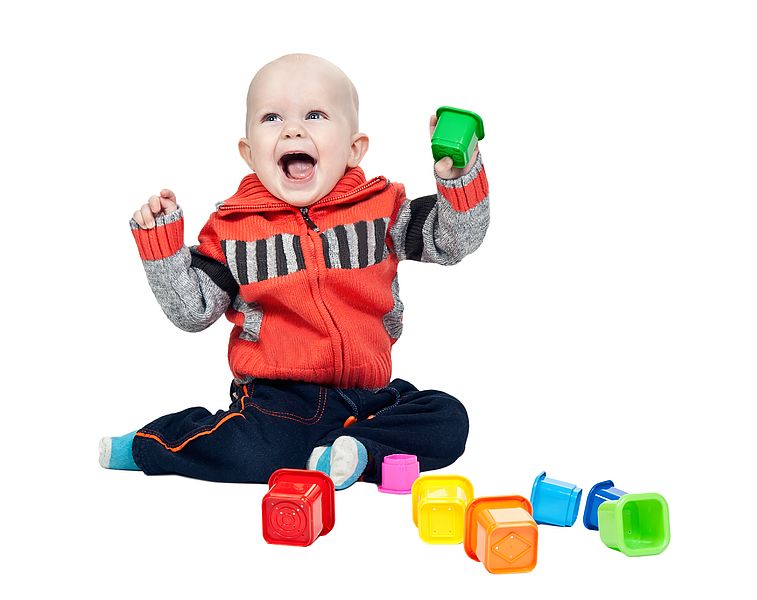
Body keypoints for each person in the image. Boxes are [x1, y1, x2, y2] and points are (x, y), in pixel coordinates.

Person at [99, 53, 490, 489]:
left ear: (354, 148)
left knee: (447, 418)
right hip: (278, 401)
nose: (292, 128)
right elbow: (192, 313)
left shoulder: (383, 210)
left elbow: (454, 240)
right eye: (272, 117)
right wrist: (163, 251)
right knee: (251, 453)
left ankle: (353, 449)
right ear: (249, 153)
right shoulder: (232, 229)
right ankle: (147, 444)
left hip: (368, 399)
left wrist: (460, 177)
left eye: (315, 115)